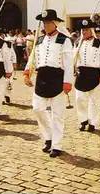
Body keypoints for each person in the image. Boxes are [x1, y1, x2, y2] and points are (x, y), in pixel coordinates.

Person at [23, 9, 73, 158]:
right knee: (37, 109)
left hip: (57, 77)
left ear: (55, 23)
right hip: (42, 77)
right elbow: (32, 58)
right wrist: (27, 72)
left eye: (48, 22)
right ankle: (48, 137)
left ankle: (56, 145)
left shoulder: (64, 40)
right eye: (44, 22)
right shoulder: (39, 40)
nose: (45, 25)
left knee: (57, 114)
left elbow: (69, 64)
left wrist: (68, 82)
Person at [73, 18, 100, 132]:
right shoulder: (79, 43)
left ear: (91, 30)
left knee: (94, 100)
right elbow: (73, 58)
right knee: (79, 99)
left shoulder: (99, 43)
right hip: (81, 73)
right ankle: (83, 120)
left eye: (86, 30)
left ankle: (92, 122)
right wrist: (77, 48)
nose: (84, 32)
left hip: (94, 74)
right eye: (83, 30)